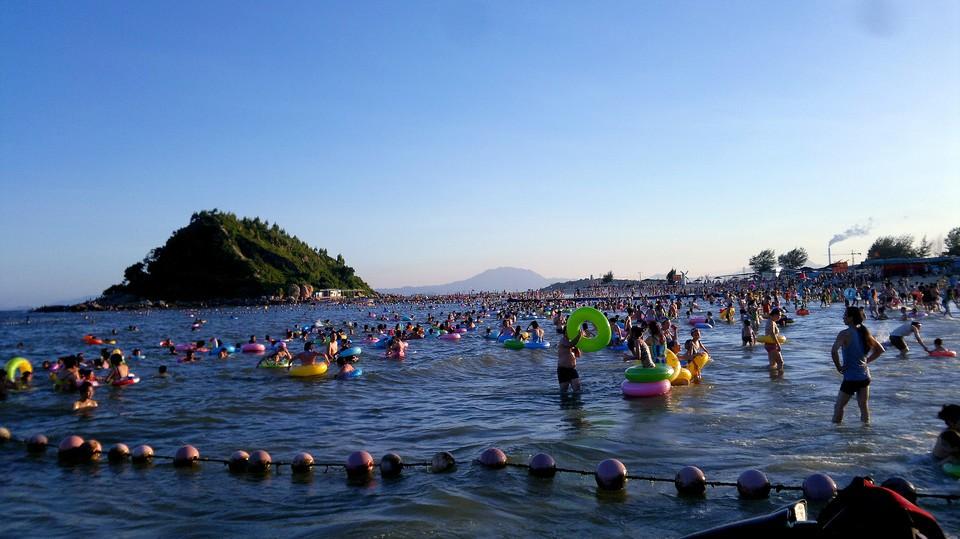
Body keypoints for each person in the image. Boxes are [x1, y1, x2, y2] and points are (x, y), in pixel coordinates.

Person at [831, 306, 885, 424]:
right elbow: (880, 350)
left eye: (845, 315)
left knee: (839, 407)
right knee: (863, 407)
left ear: (851, 318)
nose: (843, 317)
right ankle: (866, 432)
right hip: (864, 376)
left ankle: (835, 433)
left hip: (851, 378)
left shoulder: (844, 334)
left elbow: (834, 351)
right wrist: (866, 361)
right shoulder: (865, 332)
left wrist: (838, 367)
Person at [557, 324, 585, 393]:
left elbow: (578, 355)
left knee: (577, 388)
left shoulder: (572, 342)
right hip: (563, 369)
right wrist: (579, 336)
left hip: (572, 369)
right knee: (564, 391)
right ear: (565, 332)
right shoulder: (563, 340)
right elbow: (570, 344)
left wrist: (577, 347)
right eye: (568, 331)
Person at [765, 308, 784, 375]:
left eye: (780, 315)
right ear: (774, 314)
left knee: (772, 364)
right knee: (780, 362)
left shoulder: (769, 321)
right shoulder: (771, 322)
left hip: (768, 344)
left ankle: (773, 379)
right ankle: (780, 379)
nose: (779, 317)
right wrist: (778, 344)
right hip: (772, 345)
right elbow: (772, 334)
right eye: (778, 315)